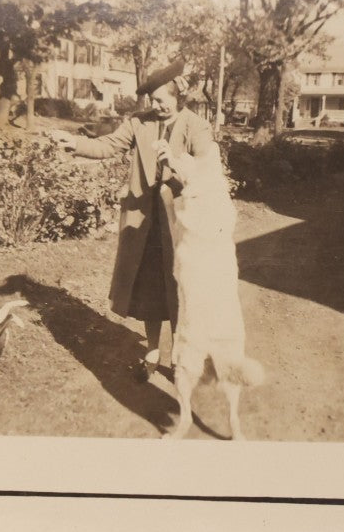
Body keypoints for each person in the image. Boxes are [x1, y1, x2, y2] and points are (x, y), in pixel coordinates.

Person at [48, 64, 218, 382]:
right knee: (150, 294)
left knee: (185, 292)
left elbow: (208, 171)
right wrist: (76, 144)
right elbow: (108, 145)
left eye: (159, 99)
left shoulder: (196, 126)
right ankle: (153, 351)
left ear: (176, 95)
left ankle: (187, 356)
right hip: (145, 223)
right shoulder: (139, 123)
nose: (155, 105)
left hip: (182, 224)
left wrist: (177, 163)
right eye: (151, 100)